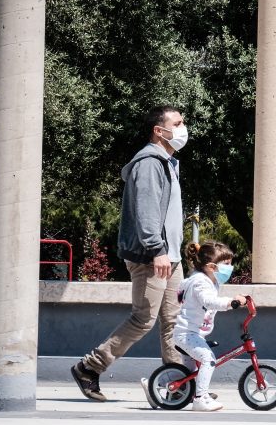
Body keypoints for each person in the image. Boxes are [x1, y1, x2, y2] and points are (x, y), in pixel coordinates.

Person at [70, 106, 188, 402]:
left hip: (170, 257)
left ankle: (178, 384)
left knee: (175, 322)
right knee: (143, 319)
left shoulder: (168, 162)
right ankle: (89, 367)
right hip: (152, 256)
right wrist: (157, 249)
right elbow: (146, 213)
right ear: (159, 131)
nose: (183, 129)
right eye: (177, 123)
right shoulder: (149, 164)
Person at [147, 240, 247, 411]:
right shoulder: (201, 281)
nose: (230, 268)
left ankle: (158, 384)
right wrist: (233, 302)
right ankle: (200, 398)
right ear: (211, 267)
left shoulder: (206, 280)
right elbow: (209, 301)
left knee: (189, 371)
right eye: (227, 264)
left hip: (191, 333)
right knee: (208, 359)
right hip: (187, 334)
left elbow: (183, 295)